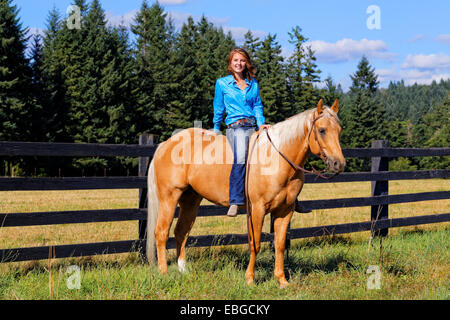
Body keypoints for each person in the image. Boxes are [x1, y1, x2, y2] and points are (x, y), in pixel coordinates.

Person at [210, 47, 271, 217]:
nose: (239, 63)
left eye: (242, 60)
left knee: (275, 151)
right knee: (242, 156)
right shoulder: (222, 83)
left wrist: (261, 124)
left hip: (253, 126)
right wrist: (216, 128)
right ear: (230, 63)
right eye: (236, 60)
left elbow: (257, 105)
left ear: (246, 63)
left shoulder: (253, 84)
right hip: (235, 127)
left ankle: (289, 199)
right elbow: (219, 107)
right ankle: (236, 200)